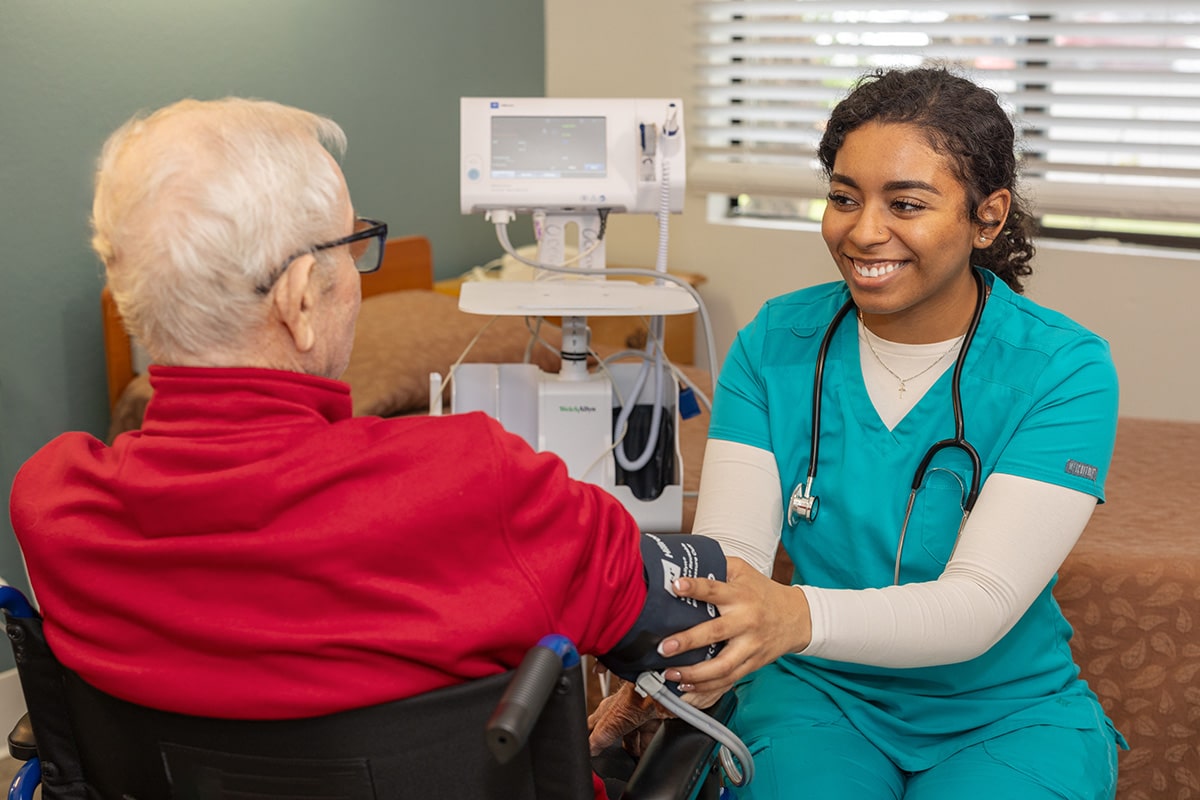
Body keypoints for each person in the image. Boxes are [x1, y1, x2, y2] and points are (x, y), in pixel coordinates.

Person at [7, 97, 709, 800]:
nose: (357, 276)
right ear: (300, 298)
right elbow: (688, 612)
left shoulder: (56, 506)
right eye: (352, 247)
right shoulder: (473, 478)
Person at [590, 66, 1124, 798]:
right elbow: (733, 567)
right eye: (844, 197)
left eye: (906, 203)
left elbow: (980, 605)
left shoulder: (1064, 368)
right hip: (817, 693)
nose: (862, 231)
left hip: (1005, 708)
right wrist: (683, 667)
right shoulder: (776, 342)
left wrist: (789, 611)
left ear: (988, 217)